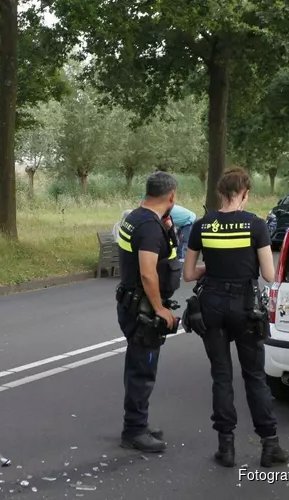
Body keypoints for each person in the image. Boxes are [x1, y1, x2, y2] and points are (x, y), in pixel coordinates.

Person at [182, 167, 288, 469]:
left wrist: (212, 269)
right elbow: (268, 274)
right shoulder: (256, 225)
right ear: (244, 194)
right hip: (245, 306)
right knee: (254, 376)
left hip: (211, 304)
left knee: (221, 376)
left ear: (219, 193)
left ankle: (225, 448)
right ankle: (270, 446)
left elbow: (189, 274)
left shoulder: (202, 225)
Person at [115, 171, 182, 453]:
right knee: (143, 370)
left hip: (131, 303)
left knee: (137, 365)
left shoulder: (134, 218)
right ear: (171, 196)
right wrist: (160, 308)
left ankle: (137, 423)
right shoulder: (149, 228)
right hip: (143, 309)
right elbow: (147, 273)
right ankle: (134, 430)